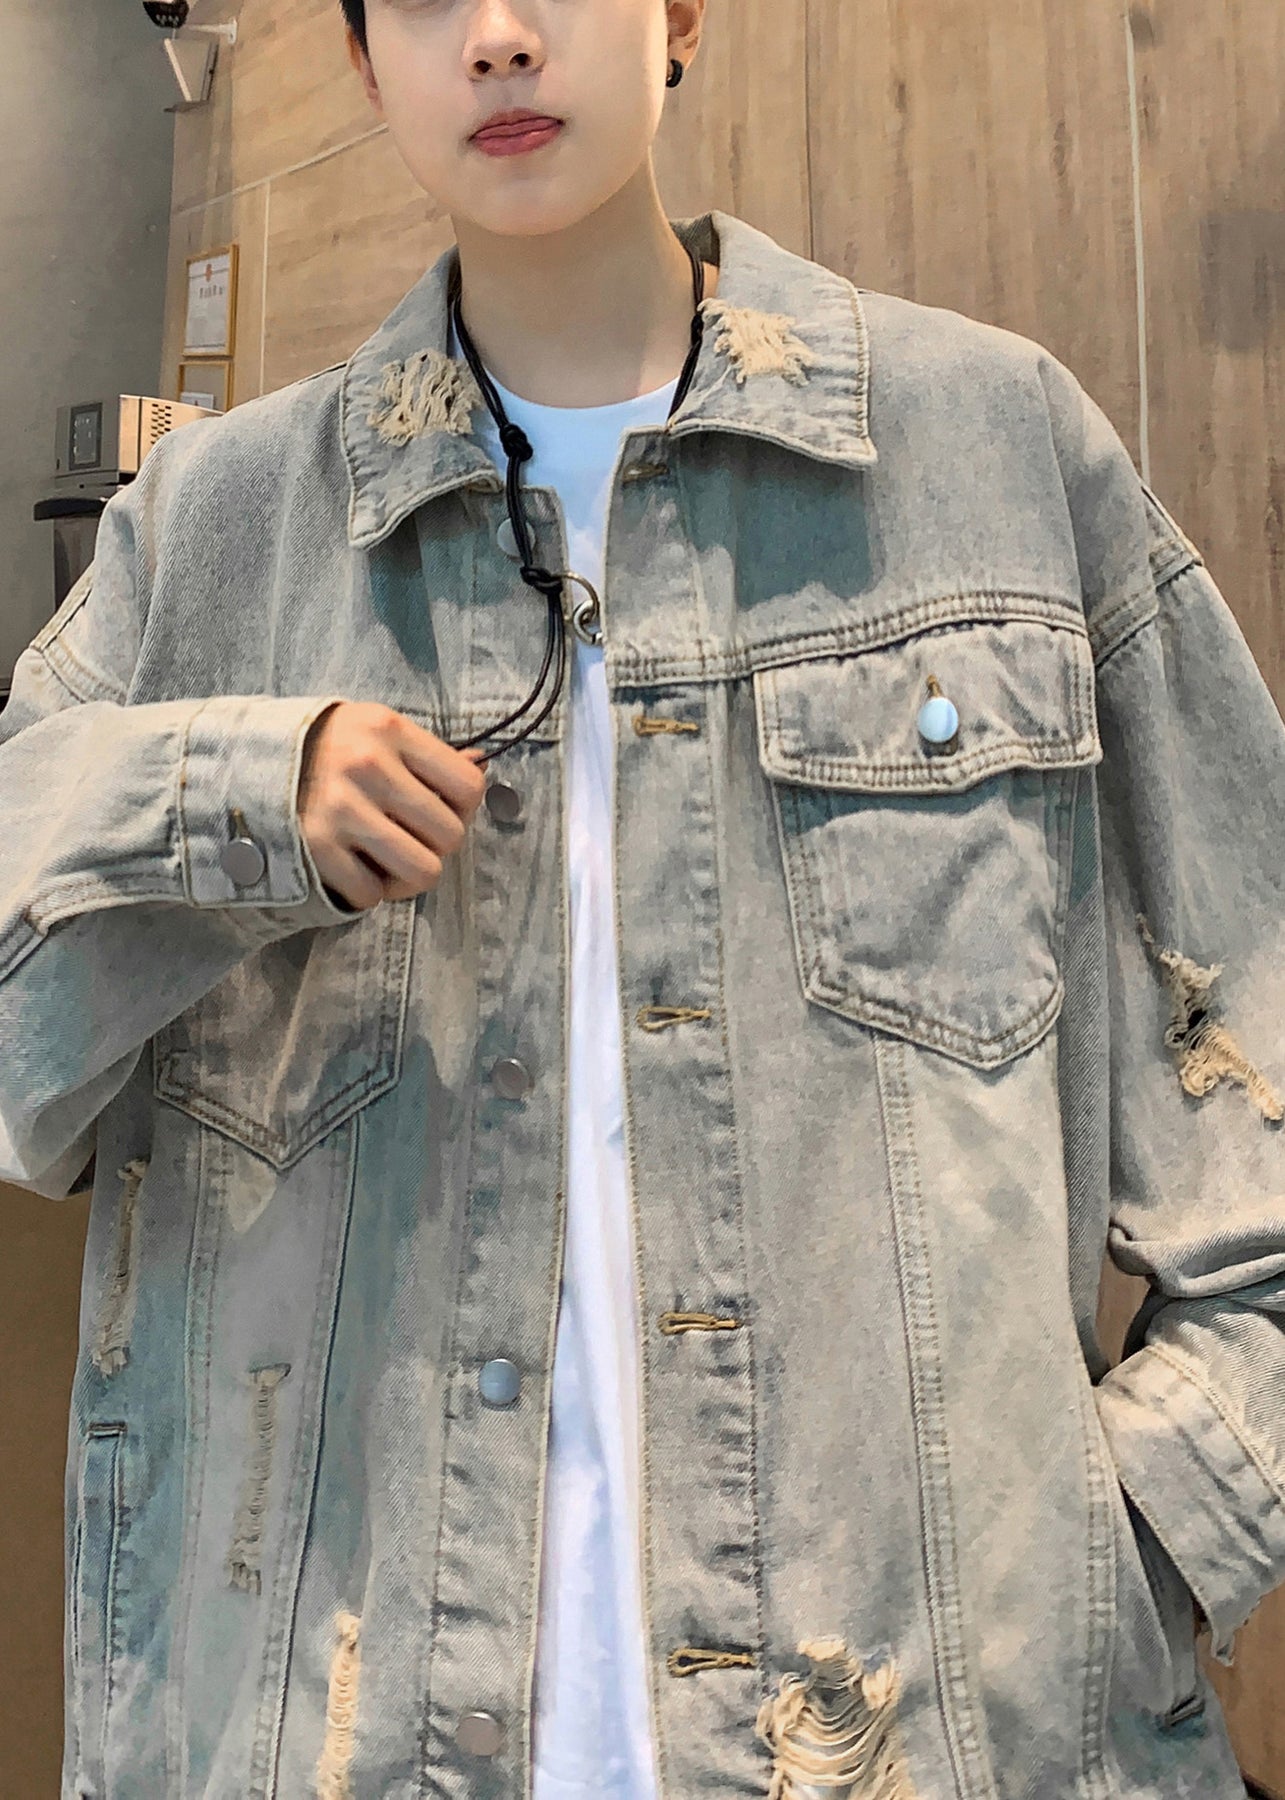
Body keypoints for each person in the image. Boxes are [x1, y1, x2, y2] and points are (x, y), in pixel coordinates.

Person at [1, 1, 1282, 1795]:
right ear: (362, 63)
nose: (497, 37)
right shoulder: (214, 537)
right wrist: (228, 797)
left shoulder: (993, 455)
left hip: (919, 1729)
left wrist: (1122, 1559)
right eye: (422, 2)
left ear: (677, 14)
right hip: (331, 1725)